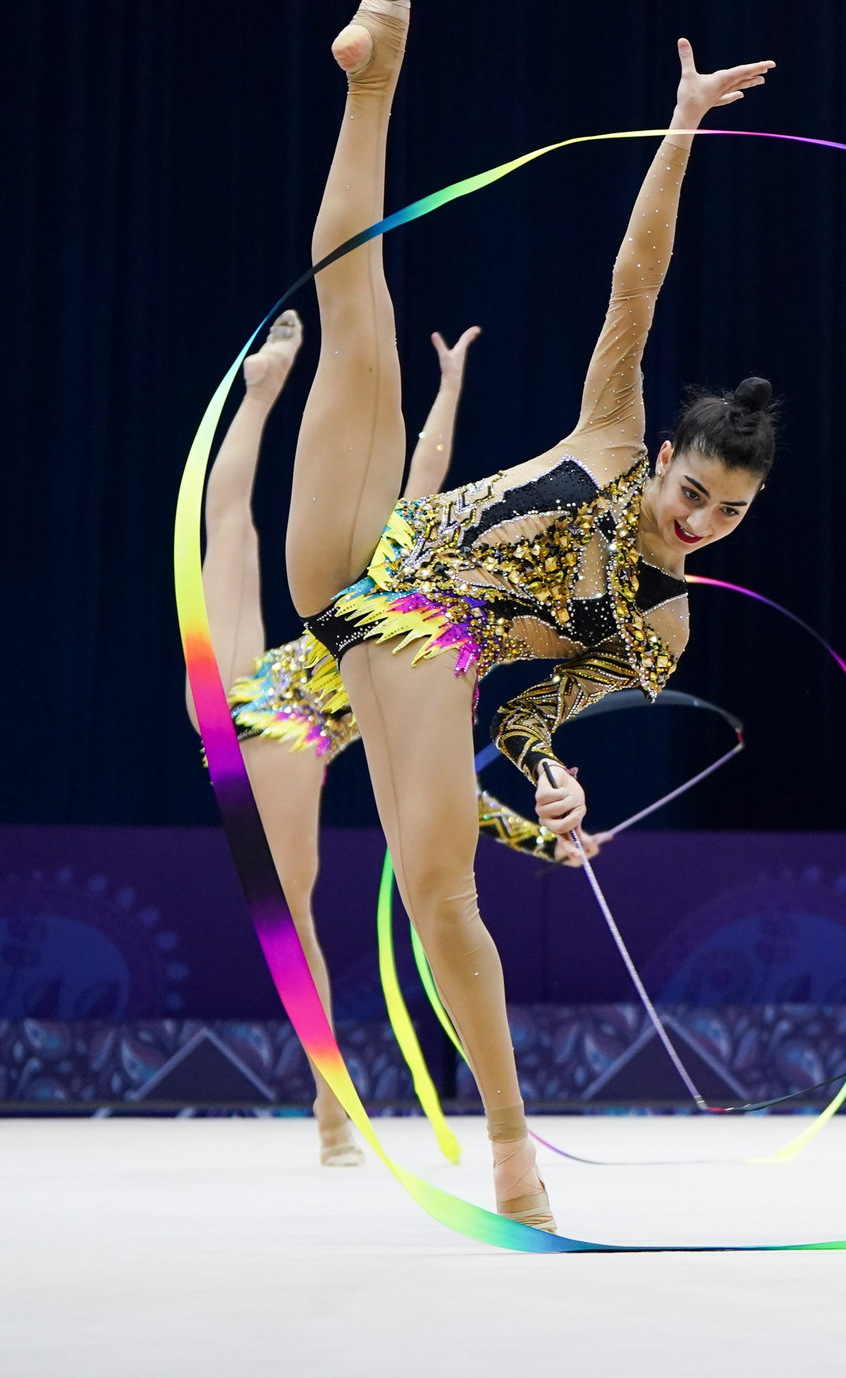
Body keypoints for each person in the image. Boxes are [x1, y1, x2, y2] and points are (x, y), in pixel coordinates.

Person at [282, 0, 778, 1230]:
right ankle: (374, 71)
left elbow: (516, 719)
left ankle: (512, 1156)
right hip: (374, 564)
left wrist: (551, 780)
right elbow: (638, 278)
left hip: (414, 651)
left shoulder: (659, 629)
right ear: (665, 456)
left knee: (443, 884)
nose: (699, 521)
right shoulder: (613, 433)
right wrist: (677, 131)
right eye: (694, 492)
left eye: (727, 515)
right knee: (360, 319)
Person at [193, 311, 582, 1168]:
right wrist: (445, 390)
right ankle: (260, 393)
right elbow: (426, 477)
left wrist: (543, 844)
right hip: (267, 707)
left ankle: (330, 1111)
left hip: (296, 718)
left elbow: (449, 806)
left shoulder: (443, 662)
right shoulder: (417, 611)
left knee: (294, 916)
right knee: (231, 528)